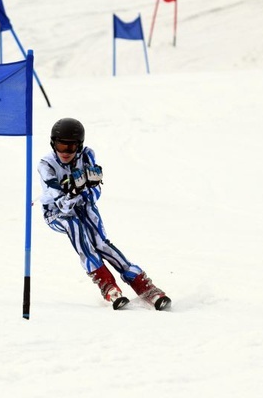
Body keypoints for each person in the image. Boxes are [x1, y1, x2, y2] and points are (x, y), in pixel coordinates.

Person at [37, 118, 171, 310]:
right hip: (56, 213)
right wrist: (78, 191)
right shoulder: (46, 166)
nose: (65, 152)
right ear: (53, 143)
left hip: (84, 206)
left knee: (101, 243)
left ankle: (144, 286)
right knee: (76, 228)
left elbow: (95, 193)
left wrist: (81, 191)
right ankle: (107, 284)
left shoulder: (87, 155)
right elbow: (63, 205)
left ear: (79, 145)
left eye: (71, 146)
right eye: (61, 145)